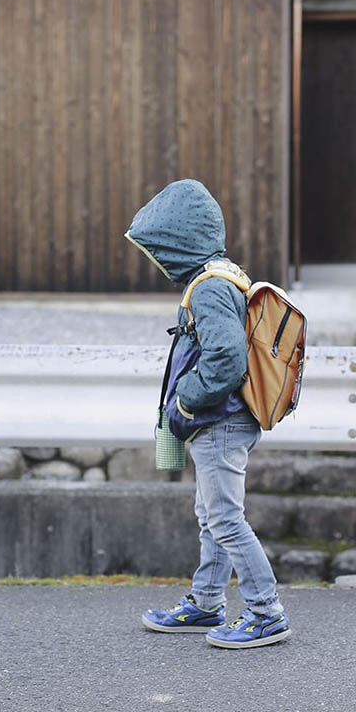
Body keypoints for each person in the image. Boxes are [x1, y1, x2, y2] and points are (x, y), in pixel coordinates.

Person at [124, 178, 290, 650]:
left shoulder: (209, 288)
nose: (155, 261)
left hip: (218, 421)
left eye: (157, 249)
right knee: (212, 515)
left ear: (176, 242)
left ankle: (266, 612)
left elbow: (226, 358)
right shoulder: (224, 275)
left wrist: (185, 400)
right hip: (228, 420)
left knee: (225, 518)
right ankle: (207, 601)